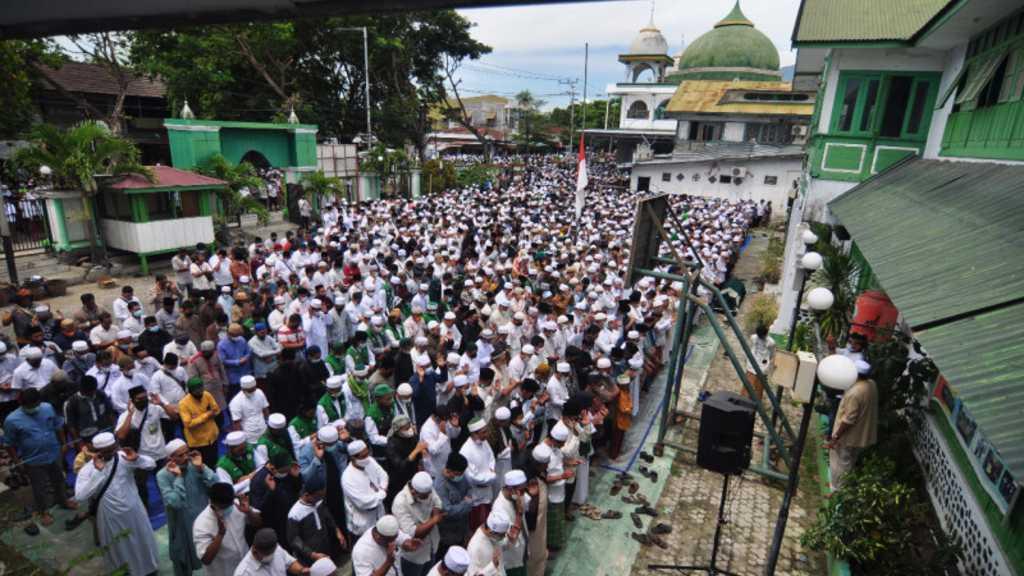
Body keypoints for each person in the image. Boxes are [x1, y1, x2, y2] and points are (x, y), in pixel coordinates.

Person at [74, 432, 159, 576]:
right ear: (96, 452)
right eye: (105, 451)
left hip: (134, 511)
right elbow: (80, 496)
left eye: (112, 449)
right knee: (119, 546)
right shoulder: (88, 470)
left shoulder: (124, 457)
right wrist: (98, 472)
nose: (110, 454)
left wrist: (137, 459)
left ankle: (148, 570)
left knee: (141, 541)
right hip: (110, 516)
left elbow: (151, 464)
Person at [3, 388, 76, 531]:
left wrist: (64, 443)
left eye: (35, 405)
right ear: (22, 403)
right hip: (33, 459)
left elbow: (58, 426)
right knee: (39, 487)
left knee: (59, 480)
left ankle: (63, 501)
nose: (34, 408)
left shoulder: (47, 408)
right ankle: (43, 511)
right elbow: (8, 444)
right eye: (30, 406)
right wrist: (17, 461)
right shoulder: (11, 420)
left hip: (54, 453)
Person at [157, 439, 218, 576]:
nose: (185, 457)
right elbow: (175, 503)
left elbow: (216, 485)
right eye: (180, 455)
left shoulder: (195, 466)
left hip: (203, 521)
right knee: (183, 560)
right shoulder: (163, 475)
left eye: (187, 453)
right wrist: (178, 477)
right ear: (170, 458)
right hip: (182, 525)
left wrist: (202, 468)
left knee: (213, 558)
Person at [115, 385, 175, 510]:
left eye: (144, 397)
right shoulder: (126, 415)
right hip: (141, 458)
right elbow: (120, 435)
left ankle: (170, 505)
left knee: (165, 482)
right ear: (132, 400)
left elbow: (174, 417)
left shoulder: (155, 408)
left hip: (160, 454)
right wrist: (130, 414)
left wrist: (162, 403)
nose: (143, 401)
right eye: (139, 399)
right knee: (141, 486)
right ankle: (144, 509)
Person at [194, 482, 260, 576]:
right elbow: (206, 559)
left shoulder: (237, 506)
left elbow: (258, 523)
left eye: (229, 506)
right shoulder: (202, 523)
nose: (227, 509)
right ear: (212, 502)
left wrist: (249, 512)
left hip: (246, 569)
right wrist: (220, 535)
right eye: (223, 507)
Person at [826, 370, 879, 490]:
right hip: (861, 435)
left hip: (848, 436)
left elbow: (848, 420)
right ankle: (843, 487)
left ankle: (837, 489)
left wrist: (836, 436)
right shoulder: (871, 384)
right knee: (850, 461)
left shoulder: (855, 393)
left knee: (840, 462)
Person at [286, 473, 346, 566]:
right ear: (307, 495)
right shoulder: (295, 514)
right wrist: (312, 554)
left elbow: (327, 516)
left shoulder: (318, 501)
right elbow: (294, 540)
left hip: (325, 550)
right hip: (309, 558)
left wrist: (337, 531)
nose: (320, 499)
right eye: (318, 497)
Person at [392, 471, 444, 576]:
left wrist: (430, 521)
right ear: (414, 492)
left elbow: (437, 503)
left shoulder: (426, 488)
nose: (429, 496)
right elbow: (413, 534)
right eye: (425, 495)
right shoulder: (400, 503)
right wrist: (434, 520)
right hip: (413, 556)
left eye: (429, 492)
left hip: (432, 546)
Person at [341, 439, 389, 539]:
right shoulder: (348, 477)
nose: (367, 458)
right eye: (363, 456)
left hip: (379, 515)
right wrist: (382, 493)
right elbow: (363, 502)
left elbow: (383, 475)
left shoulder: (370, 461)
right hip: (363, 524)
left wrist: (382, 488)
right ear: (353, 458)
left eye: (367, 454)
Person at [459, 417, 496, 533]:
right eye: (484, 432)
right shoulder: (466, 451)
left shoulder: (484, 442)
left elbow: (491, 458)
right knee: (477, 527)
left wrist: (491, 470)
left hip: (487, 490)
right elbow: (472, 477)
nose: (487, 434)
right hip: (475, 494)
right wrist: (491, 476)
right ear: (474, 434)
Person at [351, 515, 420, 576]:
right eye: (390, 540)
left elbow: (403, 540)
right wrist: (388, 562)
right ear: (378, 536)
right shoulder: (361, 551)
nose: (393, 543)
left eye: (395, 538)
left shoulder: (389, 531)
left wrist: (408, 544)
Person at [434, 452, 473, 561]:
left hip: (461, 529)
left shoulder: (460, 475)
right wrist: (466, 504)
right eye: (458, 474)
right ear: (449, 471)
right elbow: (448, 511)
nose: (461, 476)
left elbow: (469, 489)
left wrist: (467, 501)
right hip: (446, 535)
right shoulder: (440, 486)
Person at [384, 415, 427, 508]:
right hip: (398, 481)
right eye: (406, 428)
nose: (409, 429)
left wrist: (421, 451)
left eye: (409, 426)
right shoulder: (391, 444)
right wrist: (416, 451)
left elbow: (418, 453)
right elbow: (400, 465)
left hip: (412, 476)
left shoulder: (411, 437)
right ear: (398, 430)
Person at [179, 377, 222, 466]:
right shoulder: (183, 404)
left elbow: (216, 410)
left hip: (212, 437)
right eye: (197, 390)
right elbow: (188, 424)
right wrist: (207, 415)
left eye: (201, 388)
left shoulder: (207, 395)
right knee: (200, 466)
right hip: (197, 442)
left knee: (214, 463)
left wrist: (197, 418)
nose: (200, 392)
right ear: (190, 391)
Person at [235, 527, 309, 576]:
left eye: (272, 553)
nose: (272, 556)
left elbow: (289, 563)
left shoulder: (276, 549)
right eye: (267, 554)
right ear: (255, 551)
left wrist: (301, 570)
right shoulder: (244, 573)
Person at [64, 374, 116, 441]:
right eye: (90, 392)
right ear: (82, 390)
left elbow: (110, 412)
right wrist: (79, 442)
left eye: (94, 390)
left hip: (105, 432)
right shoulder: (71, 403)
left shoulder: (101, 394)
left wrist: (114, 429)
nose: (93, 393)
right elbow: (71, 426)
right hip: (86, 438)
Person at [525, 444, 551, 576]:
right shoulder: (529, 479)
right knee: (534, 551)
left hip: (540, 523)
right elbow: (529, 510)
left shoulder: (537, 471)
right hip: (533, 525)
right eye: (545, 465)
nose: (547, 466)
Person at [466, 509, 509, 576]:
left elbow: (501, 546)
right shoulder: (475, 547)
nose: (504, 536)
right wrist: (492, 566)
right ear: (491, 532)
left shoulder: (493, 537)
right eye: (502, 535)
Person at [230, 375, 270, 444]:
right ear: (242, 389)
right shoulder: (235, 402)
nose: (252, 392)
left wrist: (268, 424)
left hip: (264, 430)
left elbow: (265, 409)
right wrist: (242, 440)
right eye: (249, 391)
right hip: (249, 436)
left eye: (253, 390)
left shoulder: (259, 392)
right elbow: (236, 423)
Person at [744, 325, 774, 400]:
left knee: (748, 385)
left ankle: (745, 399)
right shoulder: (771, 342)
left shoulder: (753, 337)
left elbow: (751, 346)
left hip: (752, 364)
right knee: (759, 387)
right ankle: (756, 402)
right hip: (762, 367)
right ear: (766, 333)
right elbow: (771, 354)